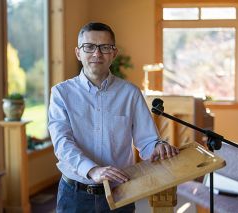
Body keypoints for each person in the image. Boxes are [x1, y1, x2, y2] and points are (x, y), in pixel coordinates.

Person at [48, 22, 179, 213]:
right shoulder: (61, 93)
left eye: (105, 47)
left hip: (121, 192)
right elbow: (62, 143)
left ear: (114, 53)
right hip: (75, 195)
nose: (97, 54)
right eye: (89, 47)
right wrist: (92, 170)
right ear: (78, 53)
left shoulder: (130, 93)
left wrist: (158, 147)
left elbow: (147, 141)